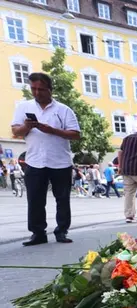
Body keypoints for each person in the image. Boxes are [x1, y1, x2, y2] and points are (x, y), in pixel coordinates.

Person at [11, 73, 81, 245]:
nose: (37, 93)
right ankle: (38, 233)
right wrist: (26, 126)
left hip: (60, 162)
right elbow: (15, 131)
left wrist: (52, 130)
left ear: (50, 90)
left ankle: (62, 231)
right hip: (34, 161)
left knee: (62, 199)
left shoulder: (63, 110)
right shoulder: (23, 107)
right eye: (33, 89)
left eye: (41, 89)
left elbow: (75, 134)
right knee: (35, 199)